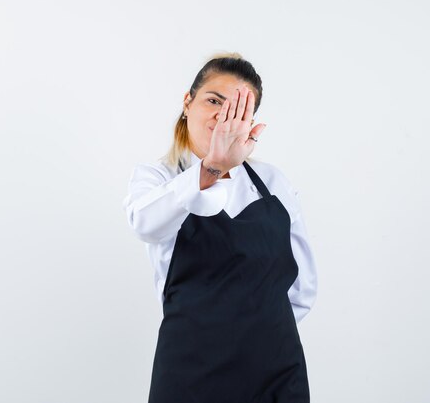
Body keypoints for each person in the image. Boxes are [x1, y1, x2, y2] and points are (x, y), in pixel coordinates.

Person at [121, 52, 318, 402]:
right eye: (214, 100)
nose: (223, 116)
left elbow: (302, 288)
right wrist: (211, 167)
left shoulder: (273, 182)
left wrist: (260, 336)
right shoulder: (159, 178)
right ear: (187, 102)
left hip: (275, 372)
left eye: (239, 110)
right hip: (190, 371)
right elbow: (146, 225)